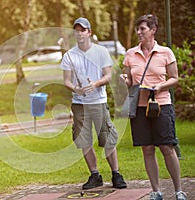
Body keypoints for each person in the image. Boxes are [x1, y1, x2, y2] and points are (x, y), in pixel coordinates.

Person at [121, 14, 187, 200]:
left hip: (161, 104)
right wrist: (124, 80)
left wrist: (160, 87)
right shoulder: (130, 54)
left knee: (167, 147)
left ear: (153, 30)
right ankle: (156, 191)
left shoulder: (165, 52)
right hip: (140, 107)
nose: (139, 32)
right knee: (147, 149)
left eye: (142, 29)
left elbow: (174, 78)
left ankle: (178, 190)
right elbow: (130, 81)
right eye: (138, 29)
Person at [60, 17, 127, 190]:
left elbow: (108, 76)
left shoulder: (101, 51)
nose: (80, 33)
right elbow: (66, 81)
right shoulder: (69, 55)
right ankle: (95, 175)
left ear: (89, 32)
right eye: (77, 30)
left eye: (83, 30)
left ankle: (116, 174)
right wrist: (76, 88)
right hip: (79, 104)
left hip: (98, 102)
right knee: (84, 140)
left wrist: (95, 84)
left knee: (108, 138)